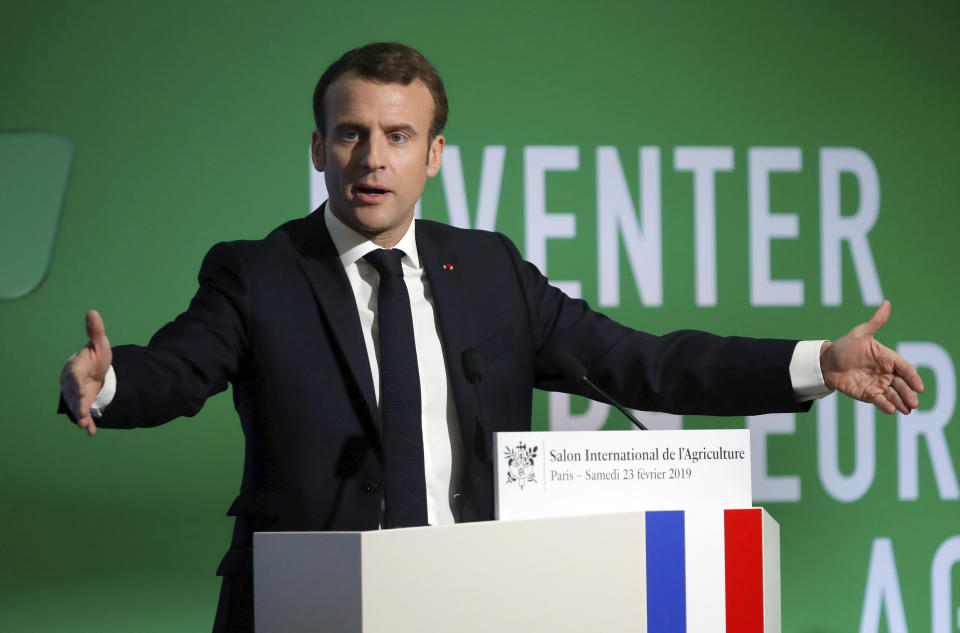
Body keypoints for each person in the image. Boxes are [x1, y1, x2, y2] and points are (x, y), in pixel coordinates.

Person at [58, 42, 924, 632]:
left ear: (433, 155)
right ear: (319, 148)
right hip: (307, 607)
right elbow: (178, 367)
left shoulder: (491, 272)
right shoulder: (260, 272)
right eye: (352, 134)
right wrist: (108, 384)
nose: (373, 158)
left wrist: (816, 362)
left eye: (398, 136)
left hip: (469, 599)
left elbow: (645, 361)